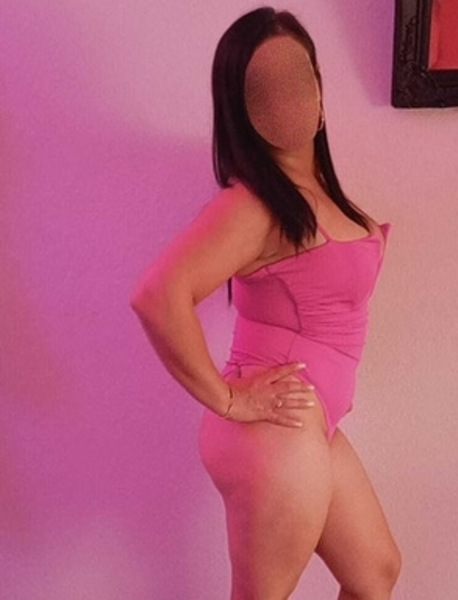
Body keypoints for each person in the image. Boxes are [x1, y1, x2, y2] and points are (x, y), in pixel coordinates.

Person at [131, 7, 401, 600]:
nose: (285, 99)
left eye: (296, 79)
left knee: (374, 572)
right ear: (240, 108)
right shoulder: (253, 205)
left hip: (309, 422)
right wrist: (228, 398)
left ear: (320, 92)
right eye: (264, 88)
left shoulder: (315, 196)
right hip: (276, 429)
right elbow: (157, 295)